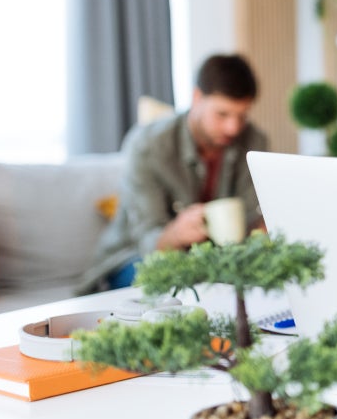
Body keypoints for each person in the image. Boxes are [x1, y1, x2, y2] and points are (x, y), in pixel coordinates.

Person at [78, 54, 270, 293]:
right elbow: (147, 240)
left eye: (242, 115)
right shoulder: (148, 145)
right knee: (179, 283)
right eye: (222, 114)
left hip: (212, 262)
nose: (233, 127)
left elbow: (252, 220)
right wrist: (177, 233)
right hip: (133, 257)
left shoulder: (254, 140)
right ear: (197, 97)